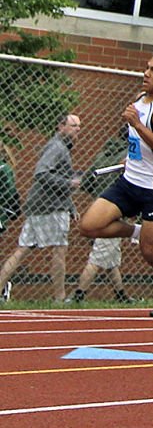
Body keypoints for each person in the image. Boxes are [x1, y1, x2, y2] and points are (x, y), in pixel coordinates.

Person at [78, 50, 153, 316]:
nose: (146, 74)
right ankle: (135, 232)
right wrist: (131, 156)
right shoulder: (139, 99)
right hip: (129, 181)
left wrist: (138, 125)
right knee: (89, 226)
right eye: (147, 68)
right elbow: (138, 142)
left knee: (151, 252)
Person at [0, 114, 82, 302]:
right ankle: (60, 298)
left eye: (79, 126)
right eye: (73, 125)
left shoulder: (61, 147)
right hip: (49, 208)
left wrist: (70, 205)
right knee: (60, 249)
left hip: (42, 206)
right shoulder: (57, 147)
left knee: (22, 249)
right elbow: (41, 173)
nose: (77, 129)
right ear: (61, 127)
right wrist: (69, 183)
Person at [72, 236, 134, 303]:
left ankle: (121, 295)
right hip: (109, 230)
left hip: (114, 231)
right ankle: (79, 295)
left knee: (112, 263)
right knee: (95, 261)